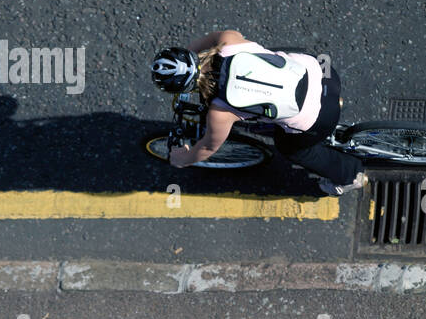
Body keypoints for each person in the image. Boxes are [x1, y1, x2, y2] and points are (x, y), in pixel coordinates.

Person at [150, 30, 367, 195]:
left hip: (320, 118)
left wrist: (184, 159)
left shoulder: (219, 112)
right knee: (267, 52)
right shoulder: (228, 39)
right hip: (324, 73)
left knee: (294, 151)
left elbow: (207, 146)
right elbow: (204, 42)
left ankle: (349, 175)